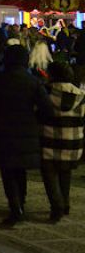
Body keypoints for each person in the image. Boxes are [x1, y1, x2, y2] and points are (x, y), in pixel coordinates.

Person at [0, 45, 54, 227]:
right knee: (20, 170)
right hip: (27, 131)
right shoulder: (32, 81)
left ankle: (15, 207)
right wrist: (35, 119)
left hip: (3, 130)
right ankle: (21, 203)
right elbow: (47, 109)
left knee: (8, 170)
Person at [41, 61, 85, 222]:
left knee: (49, 173)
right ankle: (65, 203)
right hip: (73, 141)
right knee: (65, 172)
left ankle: (57, 205)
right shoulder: (81, 95)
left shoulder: (46, 92)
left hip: (49, 139)